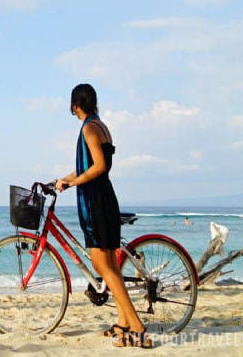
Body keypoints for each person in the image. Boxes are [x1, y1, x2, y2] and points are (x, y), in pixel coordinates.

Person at [55, 84, 152, 349]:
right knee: (110, 266)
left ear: (75, 104)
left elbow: (97, 167)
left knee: (102, 266)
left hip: (95, 202)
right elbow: (90, 167)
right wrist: (64, 180)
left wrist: (73, 184)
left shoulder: (88, 128)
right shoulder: (100, 126)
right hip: (105, 197)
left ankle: (137, 325)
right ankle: (122, 324)